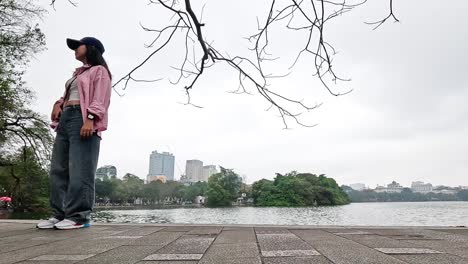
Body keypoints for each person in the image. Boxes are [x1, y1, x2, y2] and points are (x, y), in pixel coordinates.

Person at [36, 37, 112, 230]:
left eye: (78, 46)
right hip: (66, 119)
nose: (75, 49)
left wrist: (91, 118)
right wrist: (57, 104)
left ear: (91, 48)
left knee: (81, 169)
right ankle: (58, 213)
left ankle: (79, 216)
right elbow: (66, 96)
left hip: (83, 117)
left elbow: (100, 98)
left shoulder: (99, 71)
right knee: (58, 169)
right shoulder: (76, 75)